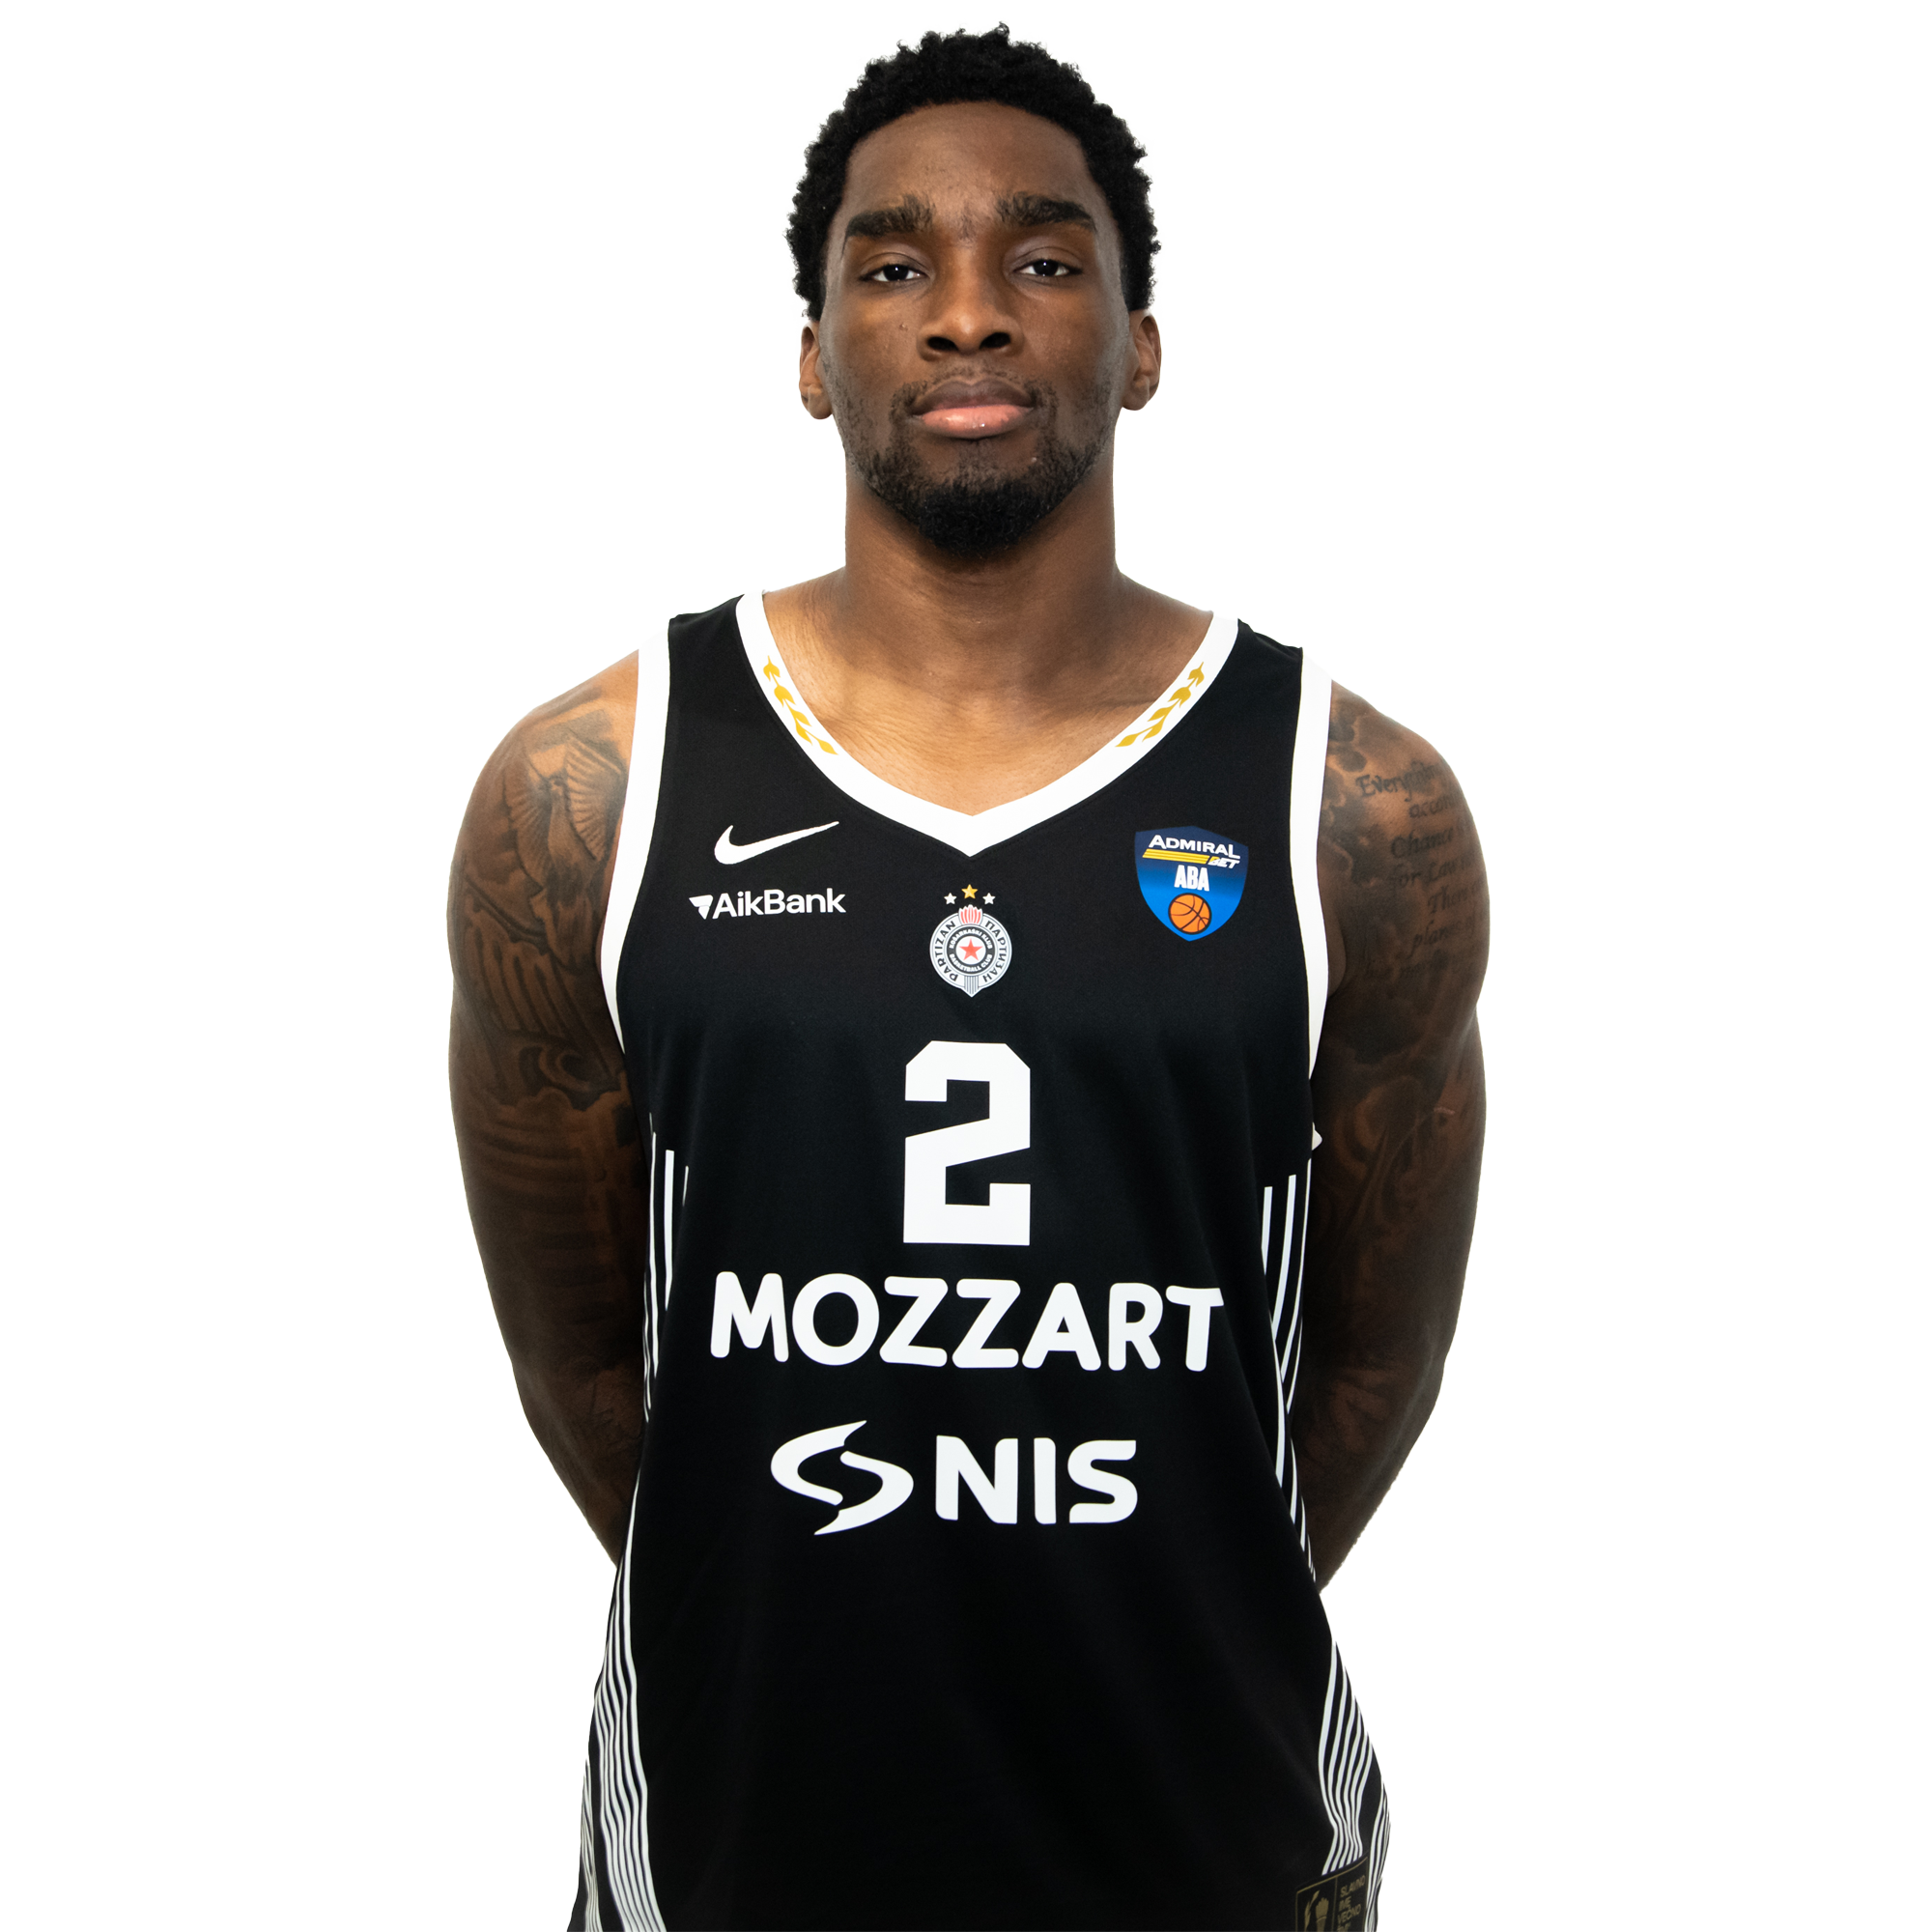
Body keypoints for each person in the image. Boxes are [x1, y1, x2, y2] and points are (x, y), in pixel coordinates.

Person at [449, 23, 1487, 1930]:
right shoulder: (591, 793)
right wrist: (798, 1574)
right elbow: (582, 1366)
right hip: (738, 1851)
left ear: (1141, 343)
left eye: (1043, 255)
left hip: (1215, 1847)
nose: (967, 312)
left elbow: (1375, 1362)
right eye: (892, 262)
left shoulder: (1353, 806)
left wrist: (1149, 1571)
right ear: (812, 352)